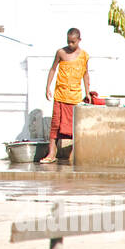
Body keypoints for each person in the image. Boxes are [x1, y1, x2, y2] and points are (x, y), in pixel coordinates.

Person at [41, 28, 90, 164]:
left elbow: (85, 74)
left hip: (74, 96)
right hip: (60, 94)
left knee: (74, 125)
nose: (70, 45)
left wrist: (87, 92)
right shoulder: (61, 53)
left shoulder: (84, 55)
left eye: (73, 42)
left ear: (79, 40)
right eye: (68, 42)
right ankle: (52, 152)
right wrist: (47, 87)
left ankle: (75, 153)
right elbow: (53, 69)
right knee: (55, 124)